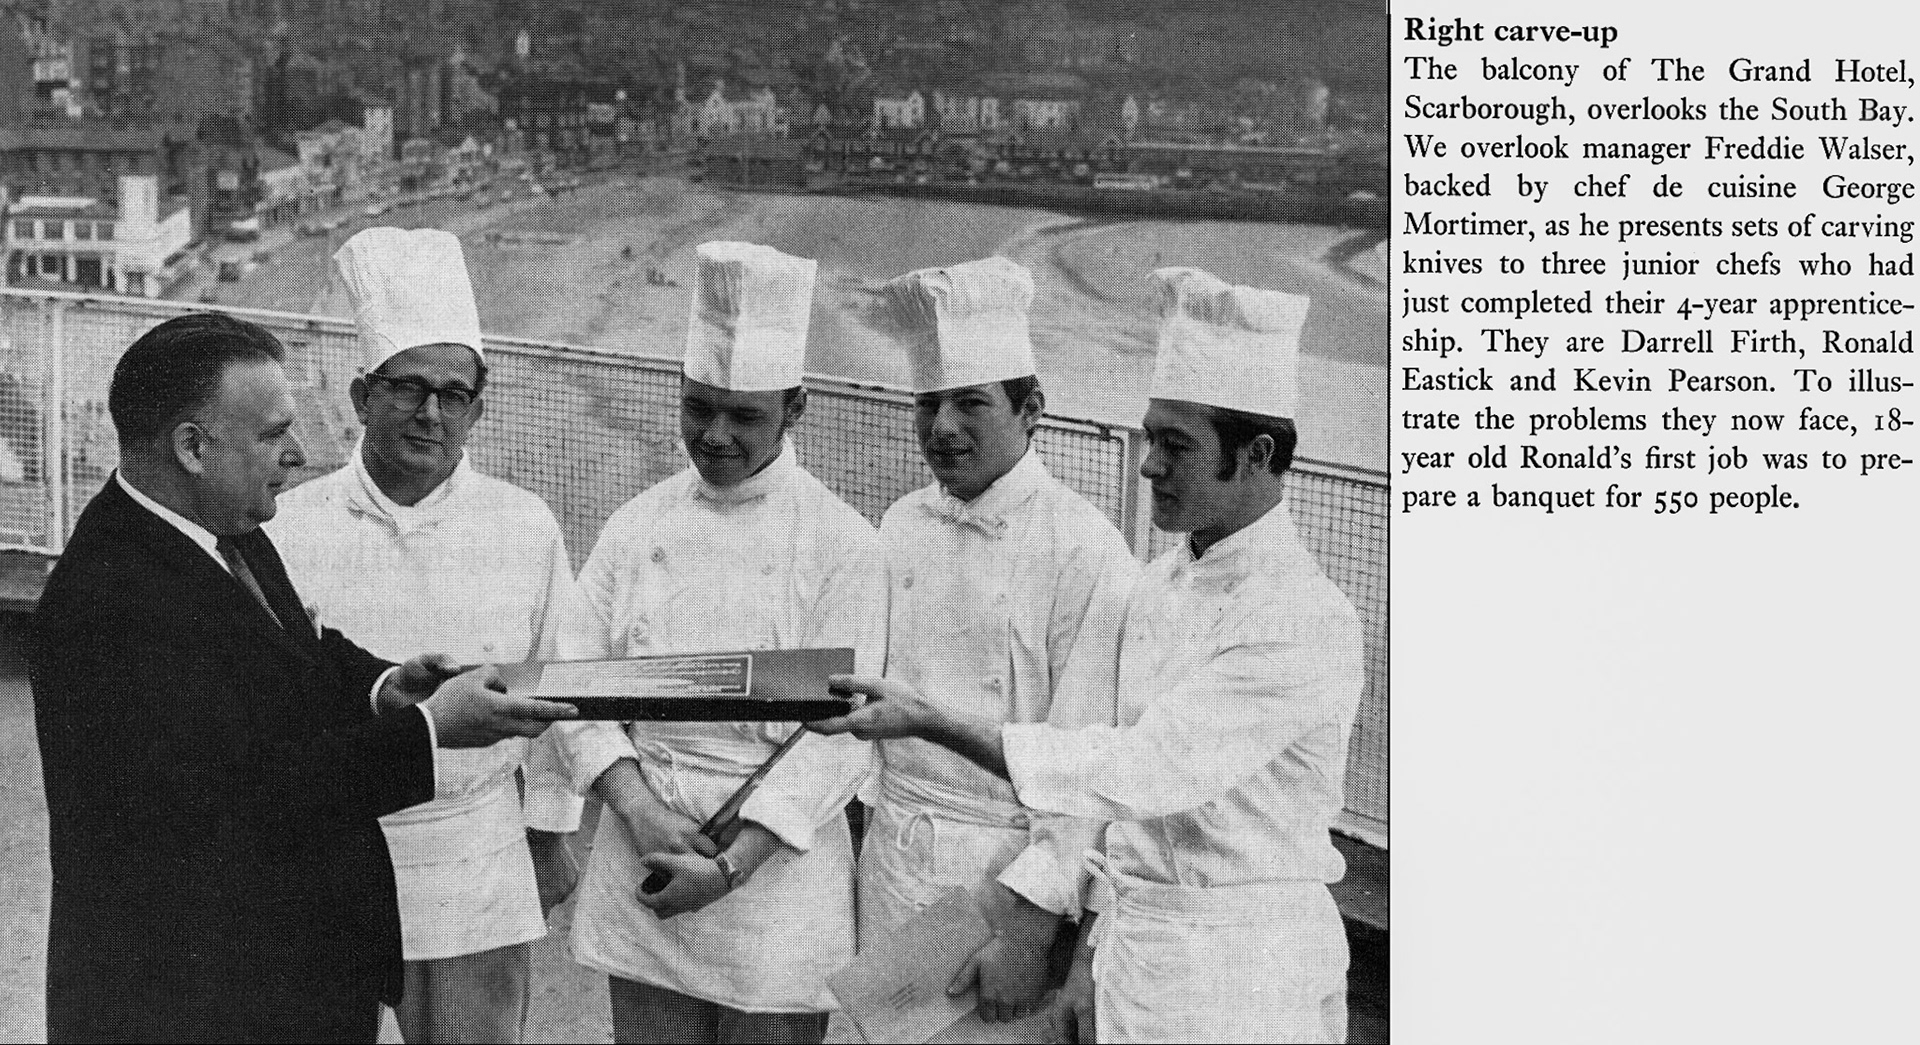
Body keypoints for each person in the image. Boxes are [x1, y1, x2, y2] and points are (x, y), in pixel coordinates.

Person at [813, 268, 1364, 1043]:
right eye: (1148, 440)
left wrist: (1031, 928)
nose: (1146, 467)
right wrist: (1085, 965)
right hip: (1120, 947)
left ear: (1256, 453)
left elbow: (1137, 770)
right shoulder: (1160, 583)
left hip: (1246, 964)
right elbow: (1115, 821)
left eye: (1174, 446)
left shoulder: (1303, 617)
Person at [30, 311, 578, 1043]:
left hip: (274, 978)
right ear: (192, 446)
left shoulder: (227, 529)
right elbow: (244, 799)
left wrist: (389, 686)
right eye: (273, 434)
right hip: (187, 1004)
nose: (300, 454)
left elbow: (302, 653)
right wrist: (429, 729)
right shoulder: (107, 601)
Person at [550, 241, 882, 1044]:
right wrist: (633, 804)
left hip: (774, 885)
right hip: (649, 857)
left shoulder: (844, 544)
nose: (717, 435)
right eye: (699, 408)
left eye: (746, 416)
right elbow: (569, 679)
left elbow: (843, 737)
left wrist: (734, 862)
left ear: (795, 409)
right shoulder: (637, 526)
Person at [265, 228, 585, 1043]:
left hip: (471, 855)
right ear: (360, 395)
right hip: (326, 851)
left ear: (479, 404)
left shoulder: (524, 524)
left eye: (453, 393)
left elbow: (561, 687)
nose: (430, 413)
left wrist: (549, 833)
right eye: (407, 388)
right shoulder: (287, 526)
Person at [855, 256, 1137, 1033]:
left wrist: (1028, 928)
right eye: (928, 403)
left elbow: (1088, 765)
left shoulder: (1088, 549)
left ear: (1031, 408)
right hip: (893, 855)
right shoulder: (901, 523)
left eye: (970, 403)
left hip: (1002, 880)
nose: (942, 428)